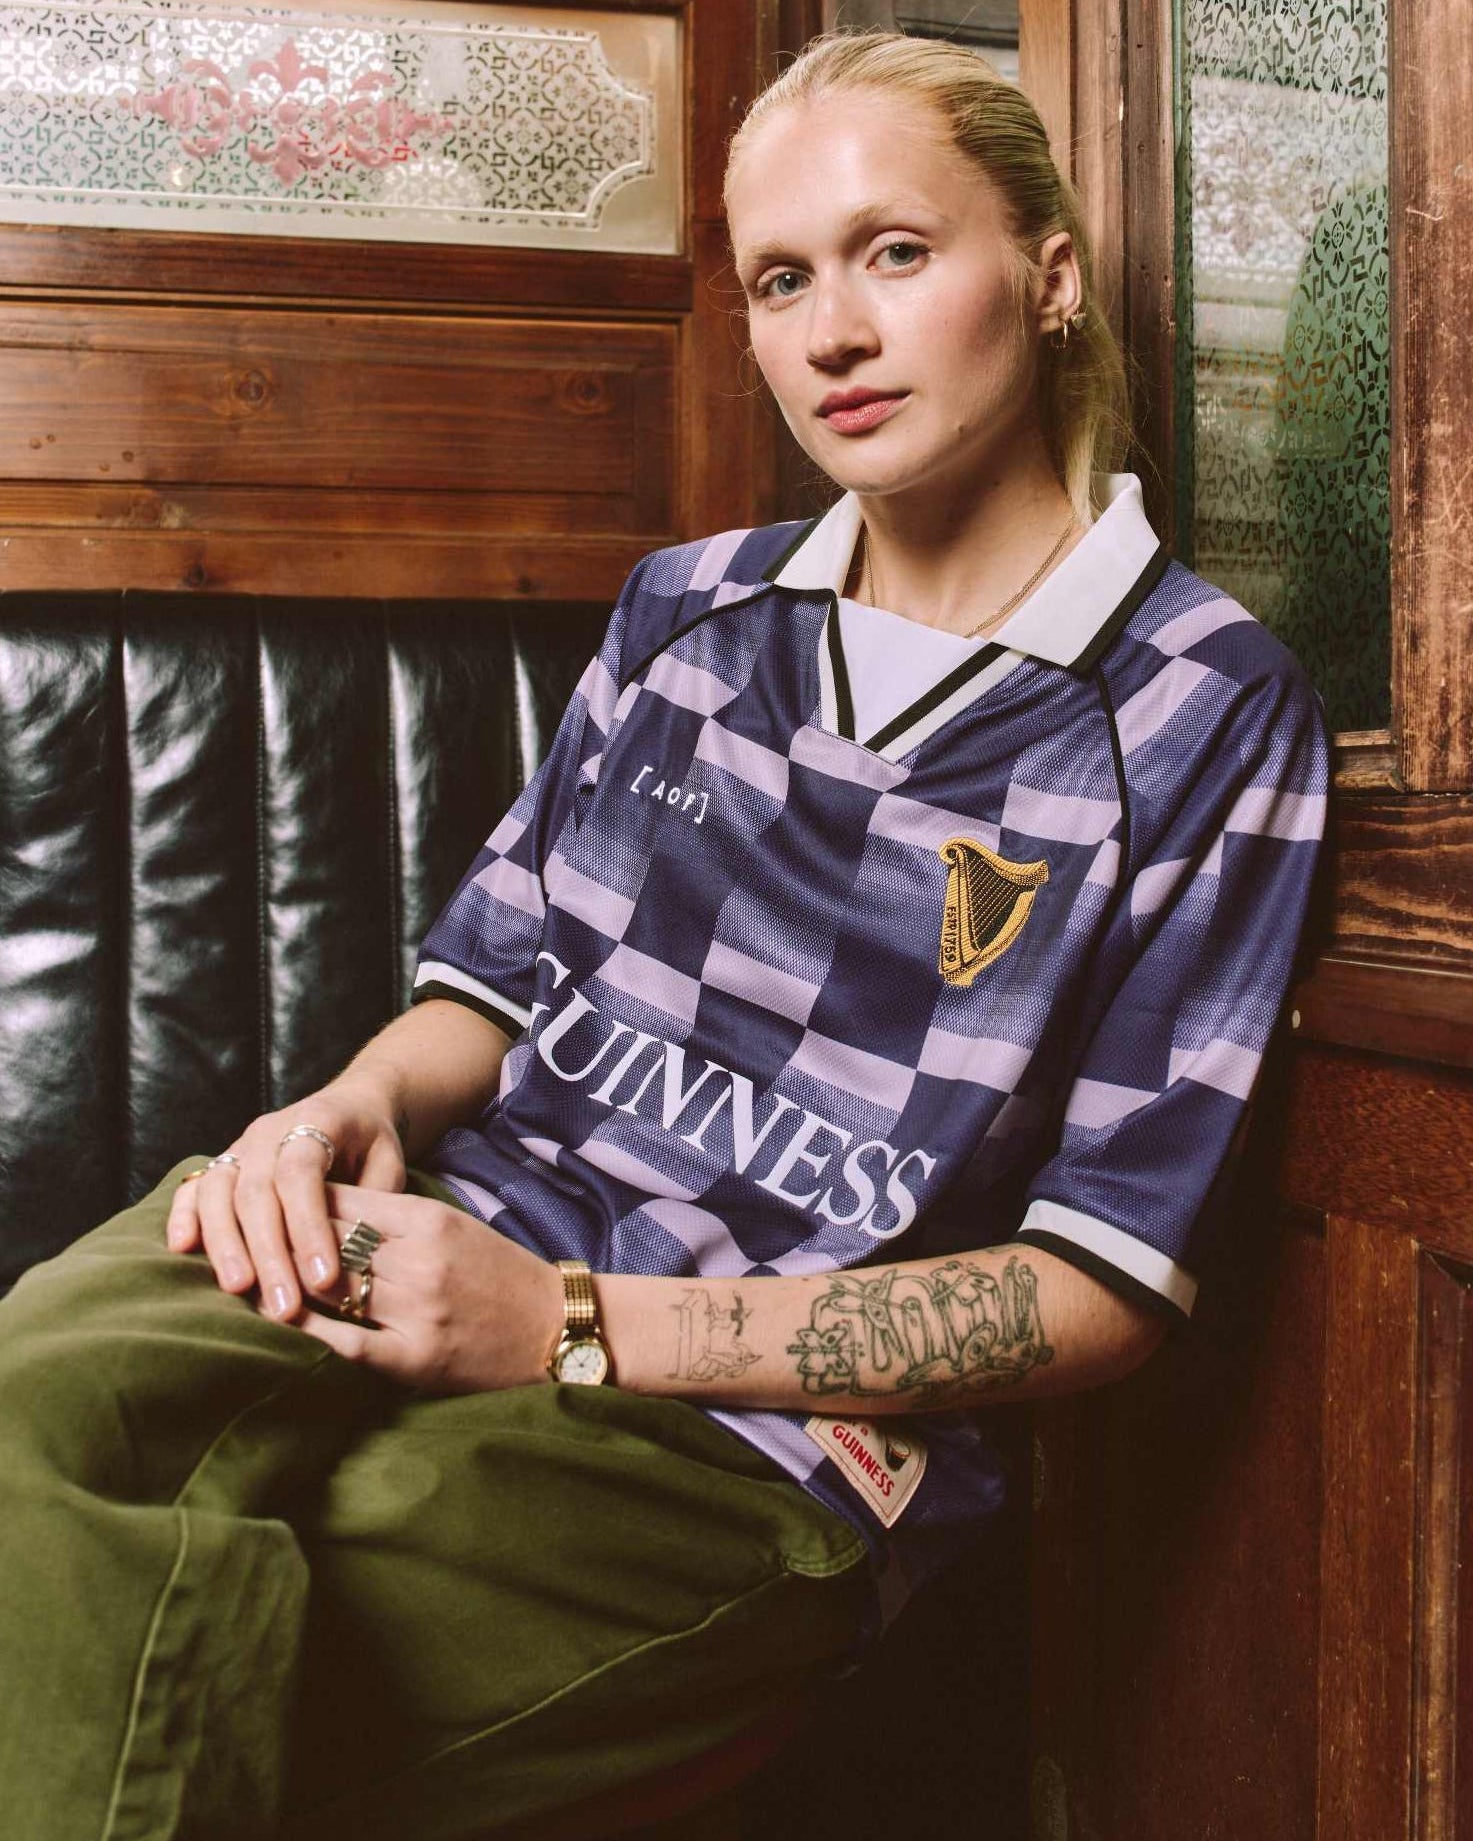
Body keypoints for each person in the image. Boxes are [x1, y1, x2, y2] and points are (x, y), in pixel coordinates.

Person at [0, 29, 1328, 1841]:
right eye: (780, 280)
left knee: (241, 1625)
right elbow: (488, 989)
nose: (831, 333)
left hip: (752, 1437)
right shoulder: (684, 610)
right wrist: (337, 1110)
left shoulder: (1202, 709)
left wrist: (560, 1324)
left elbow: (1097, 1288)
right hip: (436, 1231)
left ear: (1050, 274)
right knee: (35, 1387)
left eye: (894, 252)